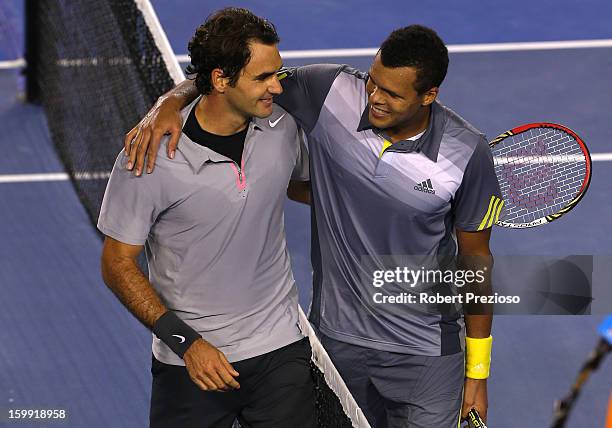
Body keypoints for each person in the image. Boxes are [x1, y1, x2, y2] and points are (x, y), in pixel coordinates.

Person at [126, 22, 501, 428]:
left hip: (427, 352)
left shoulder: (466, 151)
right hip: (339, 343)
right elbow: (233, 79)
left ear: (429, 95)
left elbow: (475, 264)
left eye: (392, 94)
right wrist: (167, 102)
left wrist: (477, 374)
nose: (373, 98)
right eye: (373, 82)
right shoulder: (329, 90)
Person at [98, 8, 315, 428]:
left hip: (280, 348)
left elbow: (298, 184)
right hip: (192, 363)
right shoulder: (149, 158)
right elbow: (116, 263)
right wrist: (186, 344)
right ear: (220, 80)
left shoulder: (282, 127)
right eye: (263, 78)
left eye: (278, 73)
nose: (277, 86)